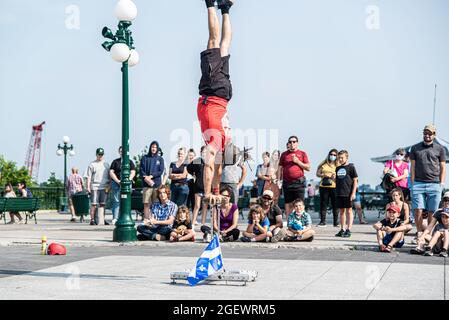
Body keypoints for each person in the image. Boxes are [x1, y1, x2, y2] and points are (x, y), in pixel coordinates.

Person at [197, 0, 236, 205]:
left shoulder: (224, 138)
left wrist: (216, 190)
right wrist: (207, 192)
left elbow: (218, 169)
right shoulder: (215, 140)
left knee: (224, 46)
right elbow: (211, 166)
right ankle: (210, 4)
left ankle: (226, 9)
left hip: (223, 95)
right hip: (213, 91)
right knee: (214, 41)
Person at [410, 124, 446, 240]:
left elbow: (443, 167)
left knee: (432, 212)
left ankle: (428, 234)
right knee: (418, 210)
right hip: (418, 183)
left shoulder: (440, 149)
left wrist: (441, 183)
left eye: (430, 134)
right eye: (425, 133)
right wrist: (412, 183)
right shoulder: (415, 148)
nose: (427, 135)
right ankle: (419, 233)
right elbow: (412, 167)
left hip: (434, 184)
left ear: (434, 135)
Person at [279, 136, 311, 220]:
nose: (292, 143)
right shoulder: (284, 154)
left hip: (298, 182)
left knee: (299, 203)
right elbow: (280, 168)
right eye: (290, 142)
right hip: (287, 182)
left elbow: (308, 168)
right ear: (288, 143)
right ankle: (290, 222)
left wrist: (298, 162)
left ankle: (301, 221)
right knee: (288, 203)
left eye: (294, 141)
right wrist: (279, 180)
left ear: (297, 143)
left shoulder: (302, 153)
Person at [109, 146, 136, 225]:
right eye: (121, 151)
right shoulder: (115, 161)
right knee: (116, 201)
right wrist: (117, 181)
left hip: (127, 184)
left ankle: (126, 216)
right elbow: (111, 172)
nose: (122, 152)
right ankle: (115, 218)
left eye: (123, 151)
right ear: (119, 152)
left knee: (126, 200)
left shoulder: (130, 161)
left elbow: (133, 172)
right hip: (116, 183)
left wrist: (128, 180)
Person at [335, 150, 358, 238]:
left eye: (342, 157)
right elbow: (339, 180)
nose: (340, 159)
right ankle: (342, 229)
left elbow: (355, 180)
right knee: (341, 212)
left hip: (348, 193)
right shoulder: (337, 168)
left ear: (346, 158)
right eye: (339, 158)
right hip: (339, 193)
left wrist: (353, 193)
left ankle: (348, 229)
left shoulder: (351, 167)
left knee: (349, 211)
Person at [140, 141, 165, 220]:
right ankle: (146, 219)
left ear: (157, 148)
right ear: (150, 147)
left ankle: (154, 219)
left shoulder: (160, 159)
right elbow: (141, 169)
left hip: (156, 185)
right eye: (152, 147)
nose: (154, 149)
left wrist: (151, 176)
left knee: (156, 203)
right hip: (146, 185)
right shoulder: (145, 158)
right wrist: (146, 178)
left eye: (155, 147)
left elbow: (160, 171)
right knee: (146, 203)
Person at [85, 148, 110, 225]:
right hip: (95, 186)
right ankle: (92, 219)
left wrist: (109, 185)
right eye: (99, 154)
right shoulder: (92, 164)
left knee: (103, 204)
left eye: (102, 154)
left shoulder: (106, 164)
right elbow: (88, 177)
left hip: (104, 186)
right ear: (96, 154)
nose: (100, 156)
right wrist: (88, 187)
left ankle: (102, 219)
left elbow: (110, 176)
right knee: (94, 204)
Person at [316, 149, 339, 227]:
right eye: (331, 154)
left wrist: (335, 176)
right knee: (323, 204)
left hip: (334, 186)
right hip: (324, 186)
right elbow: (317, 173)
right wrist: (324, 175)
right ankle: (322, 221)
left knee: (335, 204)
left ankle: (336, 222)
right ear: (329, 155)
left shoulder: (338, 165)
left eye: (334, 155)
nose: (332, 156)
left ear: (337, 156)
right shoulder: (324, 163)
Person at [187, 146, 209, 225]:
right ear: (200, 152)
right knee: (197, 206)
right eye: (203, 152)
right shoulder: (197, 160)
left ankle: (203, 224)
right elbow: (188, 167)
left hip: (207, 187)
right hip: (198, 186)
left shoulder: (210, 161)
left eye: (206, 152)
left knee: (205, 206)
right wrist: (193, 174)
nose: (204, 153)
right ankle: (193, 223)